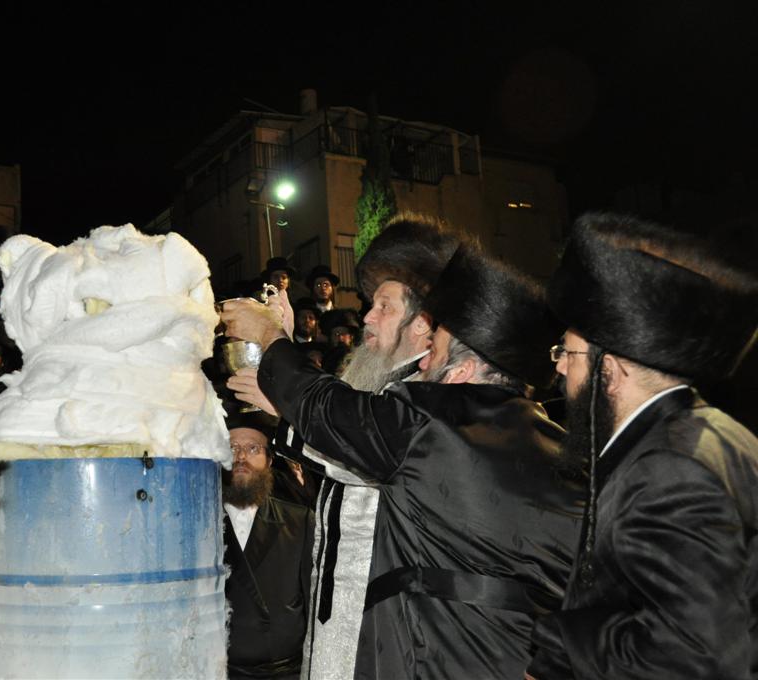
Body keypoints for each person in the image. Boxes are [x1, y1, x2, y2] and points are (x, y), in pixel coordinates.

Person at [223, 241, 586, 679]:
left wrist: (271, 336)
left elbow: (331, 415)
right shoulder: (554, 441)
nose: (424, 361)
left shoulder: (432, 422)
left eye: (435, 351)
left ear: (461, 372)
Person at [526, 213, 758, 680]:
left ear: (609, 370)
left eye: (567, 354)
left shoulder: (668, 473)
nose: (560, 372)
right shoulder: (717, 433)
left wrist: (561, 645)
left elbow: (695, 658)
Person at [230, 215, 459, 680]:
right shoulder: (386, 387)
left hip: (392, 625)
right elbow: (340, 439)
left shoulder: (431, 391)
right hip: (345, 619)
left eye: (385, 307)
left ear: (423, 324)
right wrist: (282, 403)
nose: (368, 316)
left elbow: (353, 439)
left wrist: (276, 346)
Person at [224, 411, 314, 680]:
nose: (241, 457)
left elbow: (312, 603)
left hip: (286, 673)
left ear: (269, 461)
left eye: (253, 448)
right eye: (232, 448)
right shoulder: (197, 526)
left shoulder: (300, 521)